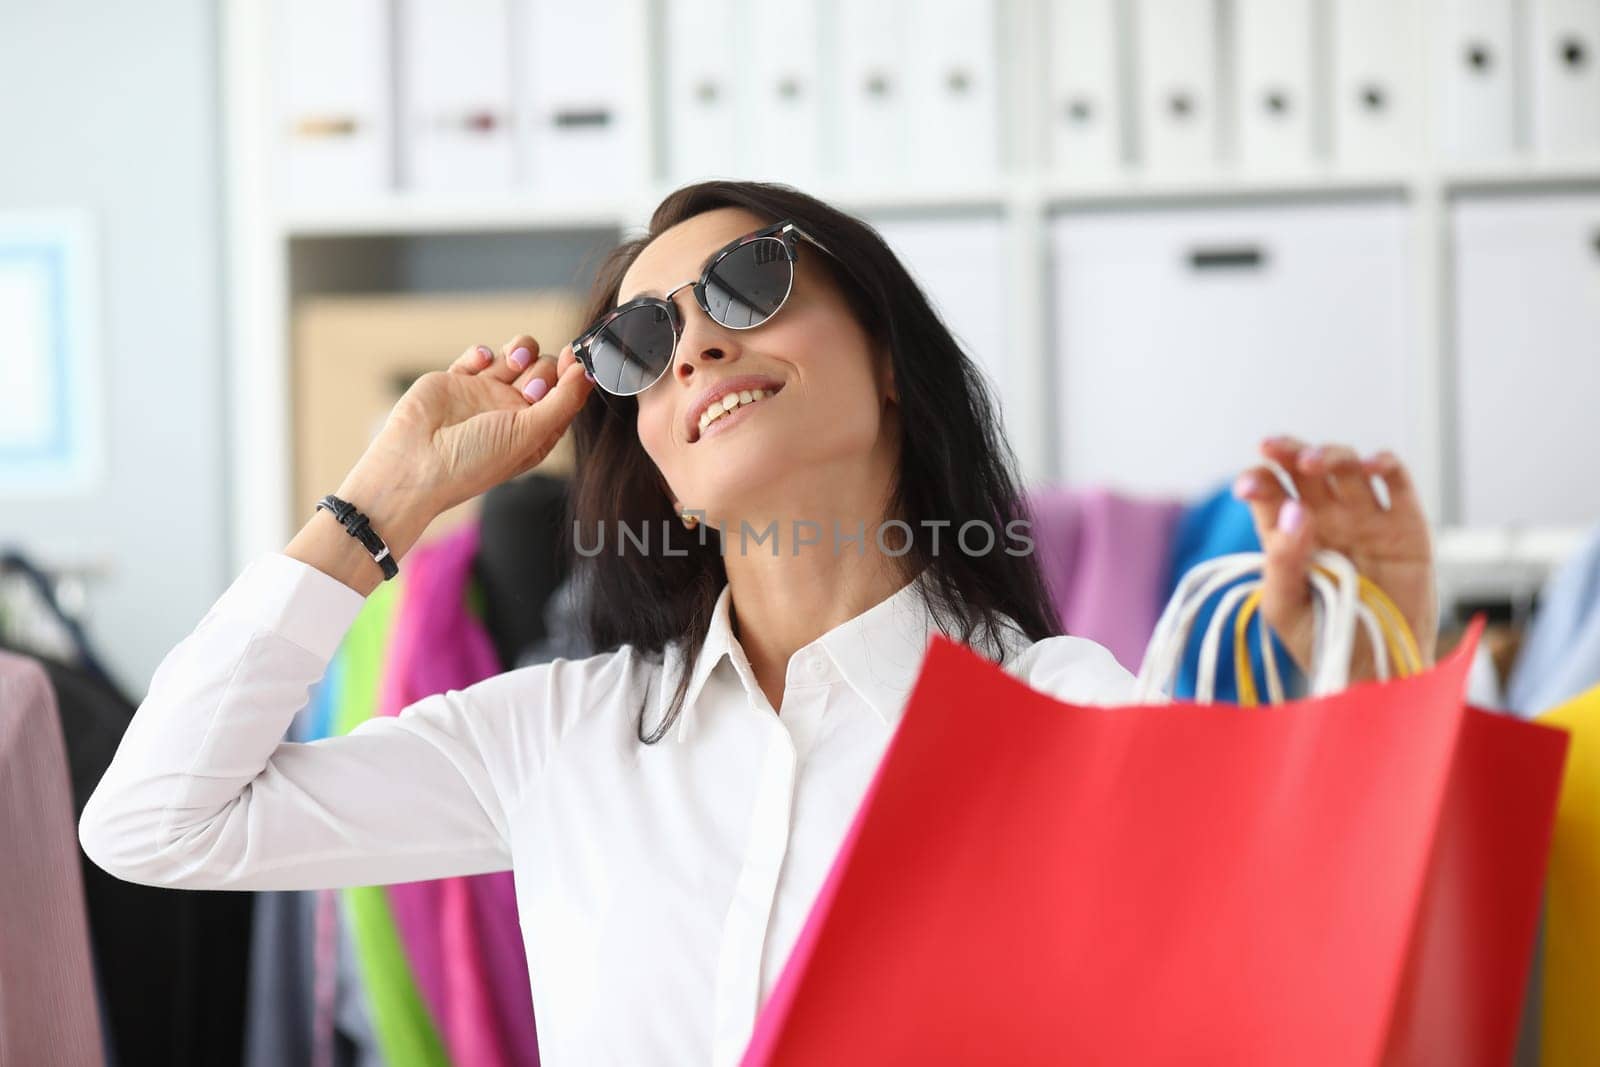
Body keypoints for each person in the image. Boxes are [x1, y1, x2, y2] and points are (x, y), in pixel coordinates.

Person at [78, 180, 1437, 1066]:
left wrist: (1378, 649)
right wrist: (381, 504)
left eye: (748, 287)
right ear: (649, 443)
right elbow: (153, 823)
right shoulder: (558, 735)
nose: (694, 347)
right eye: (637, 345)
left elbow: (1326, 938)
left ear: (890, 363)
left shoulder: (1061, 711)